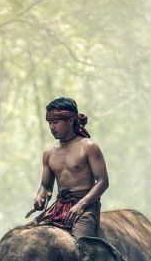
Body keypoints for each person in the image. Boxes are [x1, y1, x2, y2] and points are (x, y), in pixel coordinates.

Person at [27, 97, 109, 238]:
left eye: (56, 122)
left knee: (78, 246)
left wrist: (81, 204)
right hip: (59, 207)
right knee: (29, 238)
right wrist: (40, 196)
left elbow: (103, 181)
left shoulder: (88, 147)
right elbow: (46, 186)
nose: (52, 127)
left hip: (86, 207)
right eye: (50, 123)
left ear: (70, 121)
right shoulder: (49, 153)